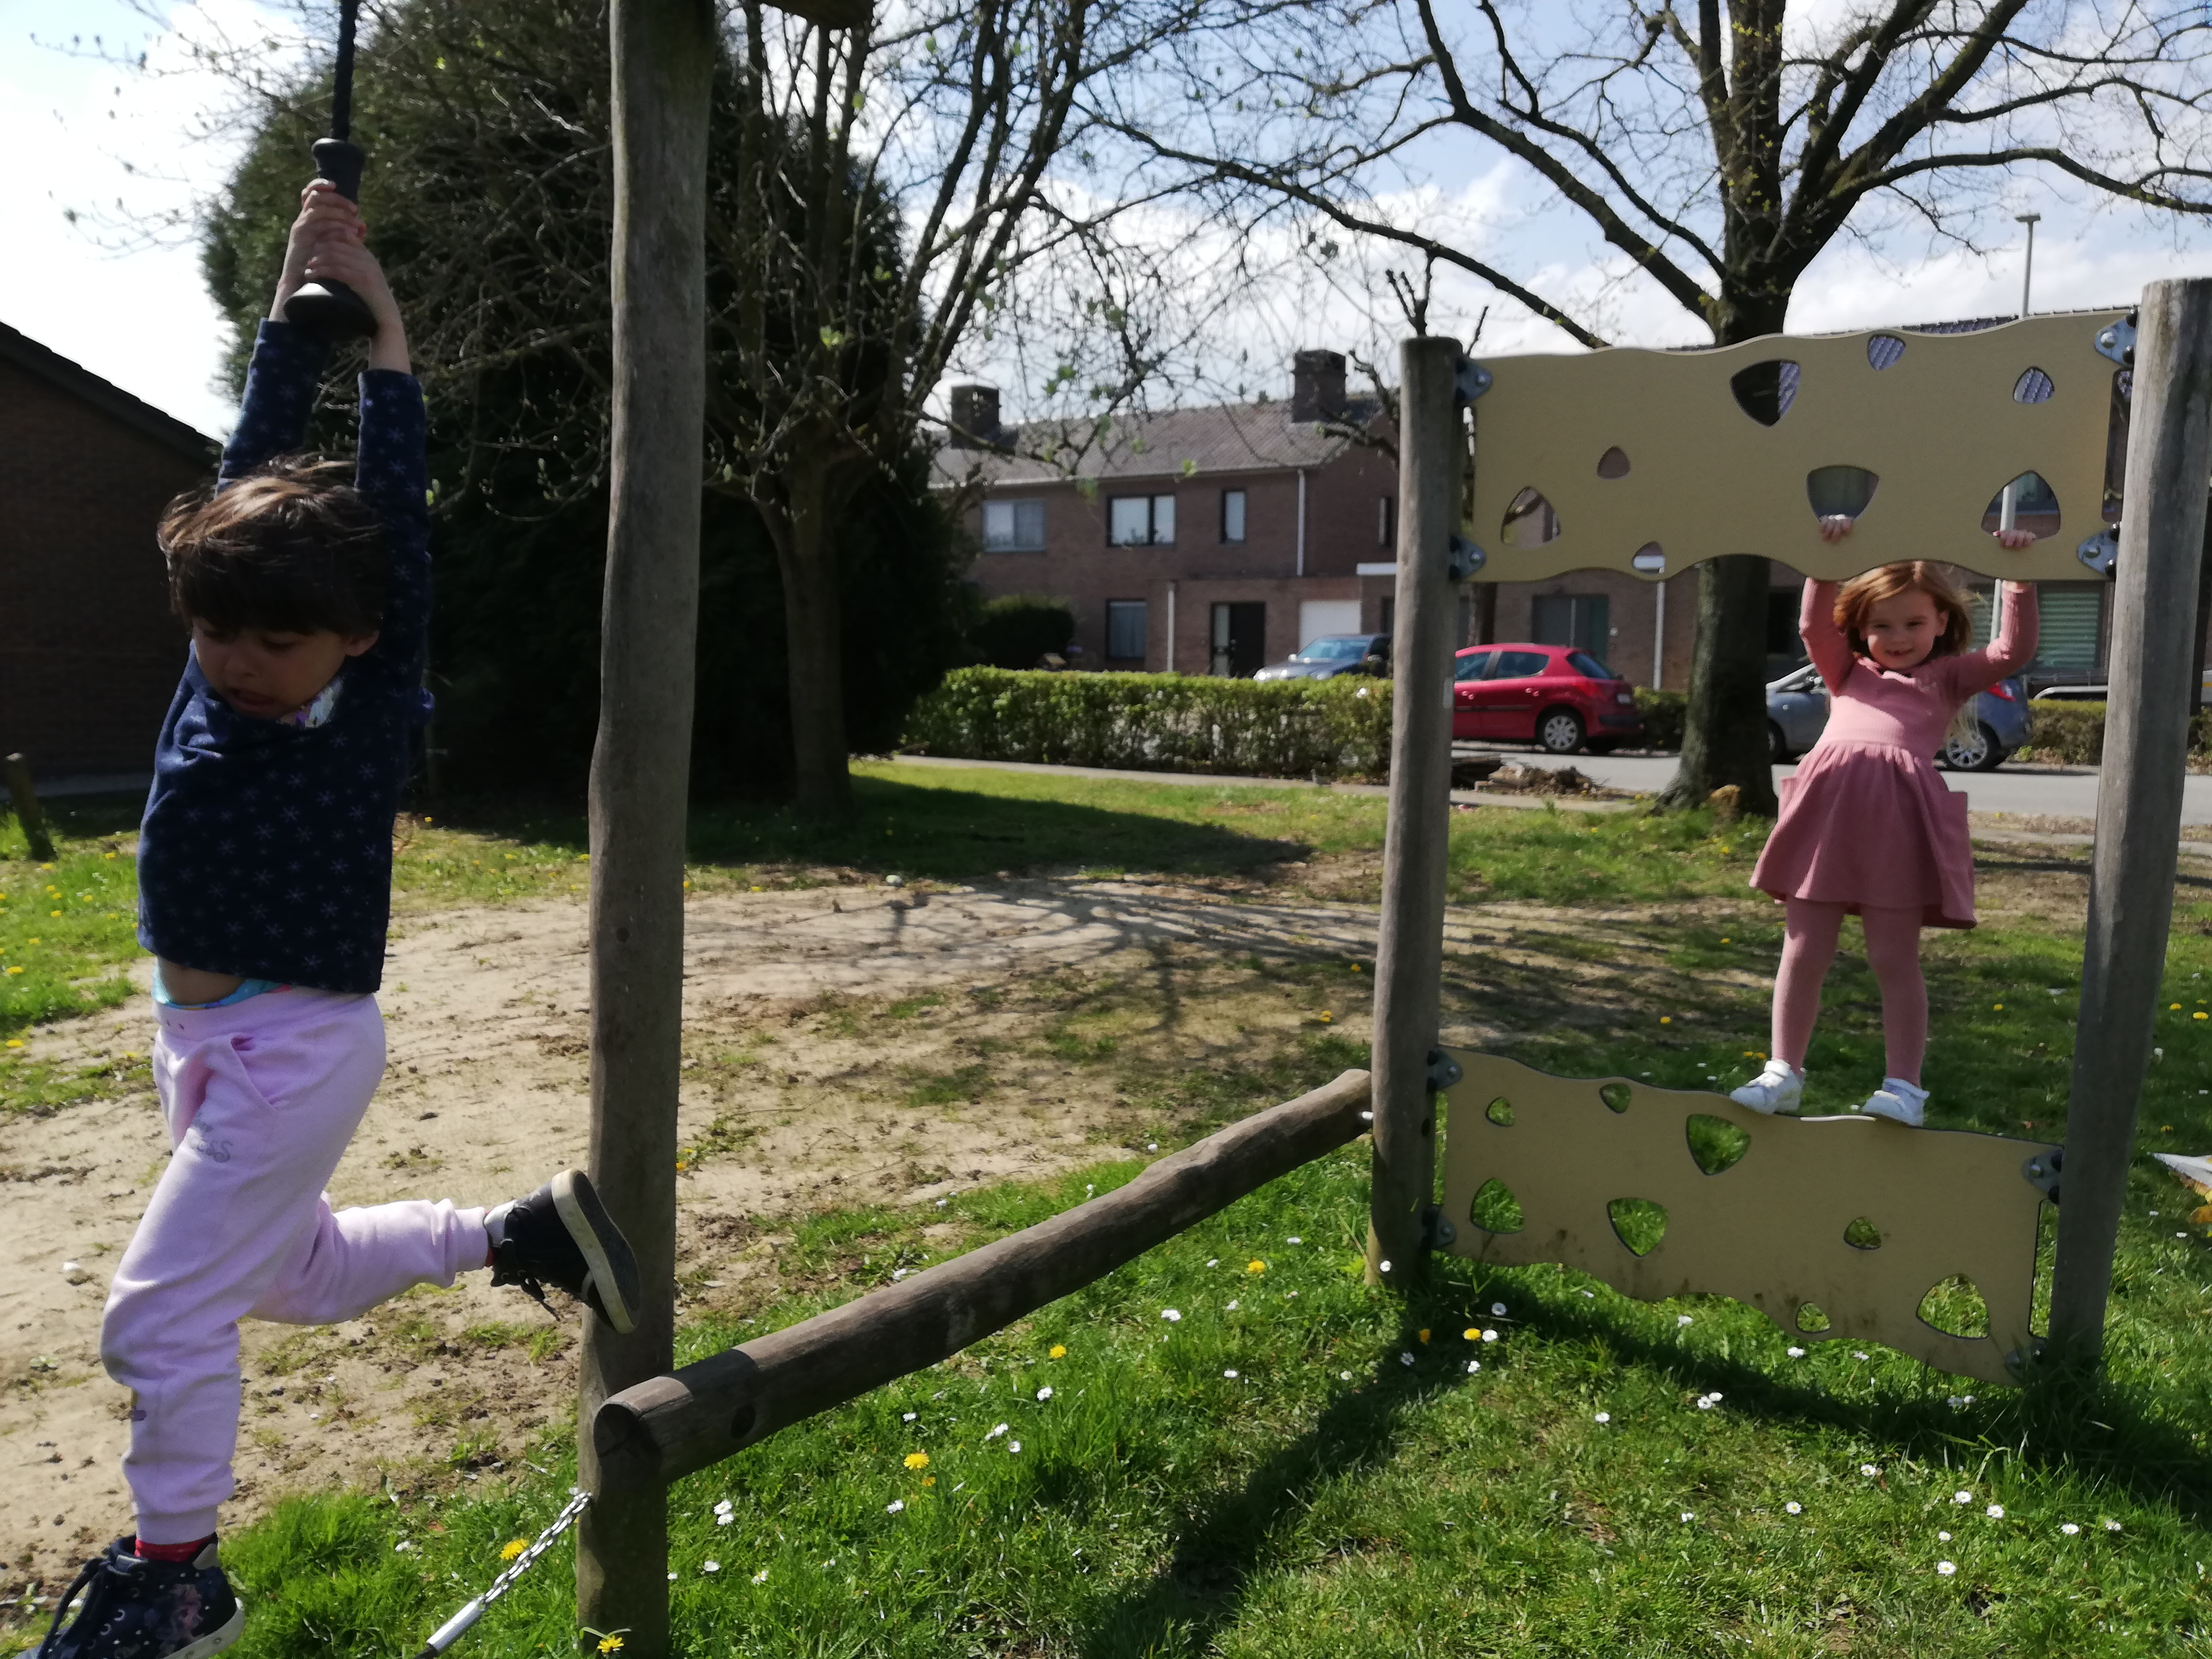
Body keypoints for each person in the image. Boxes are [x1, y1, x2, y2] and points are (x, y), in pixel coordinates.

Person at [36, 183, 643, 1659]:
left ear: (357, 641)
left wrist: (386, 348)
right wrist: (289, 312)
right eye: (215, 630)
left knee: (155, 1320)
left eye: (277, 640)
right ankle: (519, 1235)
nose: (239, 661)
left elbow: (397, 537)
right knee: (286, 1278)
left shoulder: (359, 716)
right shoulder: (210, 685)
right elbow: (247, 471)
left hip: (293, 1050)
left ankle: (178, 1577)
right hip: (203, 1046)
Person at [1731, 516, 2038, 1127]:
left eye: (1913, 624)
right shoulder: (1846, 672)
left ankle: (1904, 1088)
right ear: (1862, 629)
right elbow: (1813, 625)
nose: (1898, 638)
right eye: (1882, 626)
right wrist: (1826, 557)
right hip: (1827, 822)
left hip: (1898, 827)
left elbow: (2012, 651)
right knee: (1803, 950)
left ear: (1941, 622)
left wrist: (2019, 578)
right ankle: (1783, 1072)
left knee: (1894, 958)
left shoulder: (1946, 679)